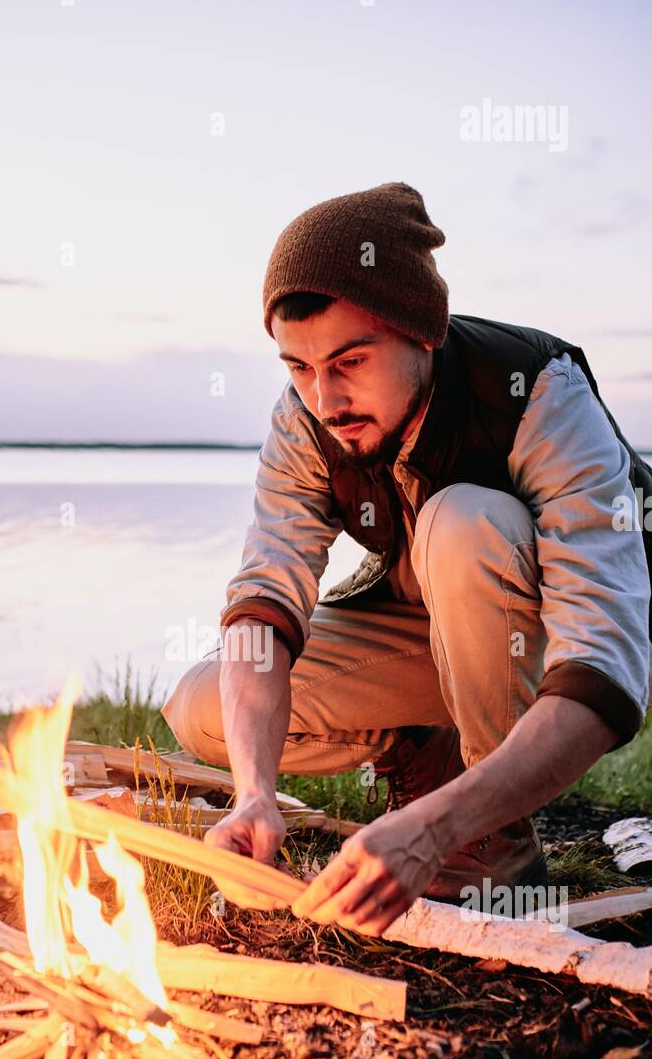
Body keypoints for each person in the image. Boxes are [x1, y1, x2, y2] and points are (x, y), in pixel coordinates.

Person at [162, 183, 652, 935]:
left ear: (423, 332)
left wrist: (433, 832)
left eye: (349, 360)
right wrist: (253, 793)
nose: (324, 398)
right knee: (206, 701)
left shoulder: (540, 393)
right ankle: (426, 754)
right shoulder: (307, 418)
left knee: (463, 522)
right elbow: (265, 596)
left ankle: (491, 847)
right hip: (441, 627)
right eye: (297, 367)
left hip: (571, 642)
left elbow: (603, 669)